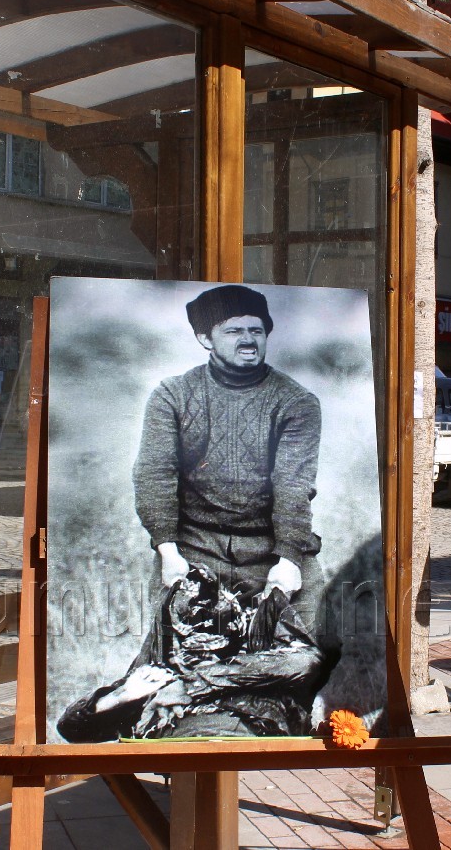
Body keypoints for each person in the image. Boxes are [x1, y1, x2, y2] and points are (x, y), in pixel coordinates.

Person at [132, 284, 323, 609]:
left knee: (321, 650)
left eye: (256, 330)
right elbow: (154, 475)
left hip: (271, 545)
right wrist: (168, 550)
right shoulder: (172, 396)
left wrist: (289, 559)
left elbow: (294, 486)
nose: (248, 340)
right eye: (234, 330)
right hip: (194, 544)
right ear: (206, 338)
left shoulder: (297, 402)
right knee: (174, 652)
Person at [56, 565, 324, 742]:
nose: (202, 622)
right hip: (179, 739)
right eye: (190, 619)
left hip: (243, 730)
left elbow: (307, 662)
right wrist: (120, 695)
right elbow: (70, 727)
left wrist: (191, 686)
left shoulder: (256, 645)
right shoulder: (159, 666)